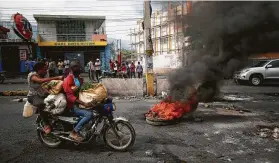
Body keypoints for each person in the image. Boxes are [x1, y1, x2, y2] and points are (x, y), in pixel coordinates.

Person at [27, 62, 63, 134]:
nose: (45, 71)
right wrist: (57, 77)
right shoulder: (32, 75)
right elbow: (40, 81)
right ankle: (46, 124)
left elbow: (48, 83)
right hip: (34, 96)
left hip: (43, 94)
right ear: (38, 69)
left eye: (46, 69)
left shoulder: (44, 74)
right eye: (44, 69)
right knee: (42, 104)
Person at [63, 61, 93, 141]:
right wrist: (84, 103)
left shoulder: (78, 78)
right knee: (88, 114)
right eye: (76, 67)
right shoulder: (67, 80)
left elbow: (82, 89)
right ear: (72, 69)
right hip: (73, 105)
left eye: (79, 66)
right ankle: (74, 132)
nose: (79, 68)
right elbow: (70, 97)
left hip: (79, 102)